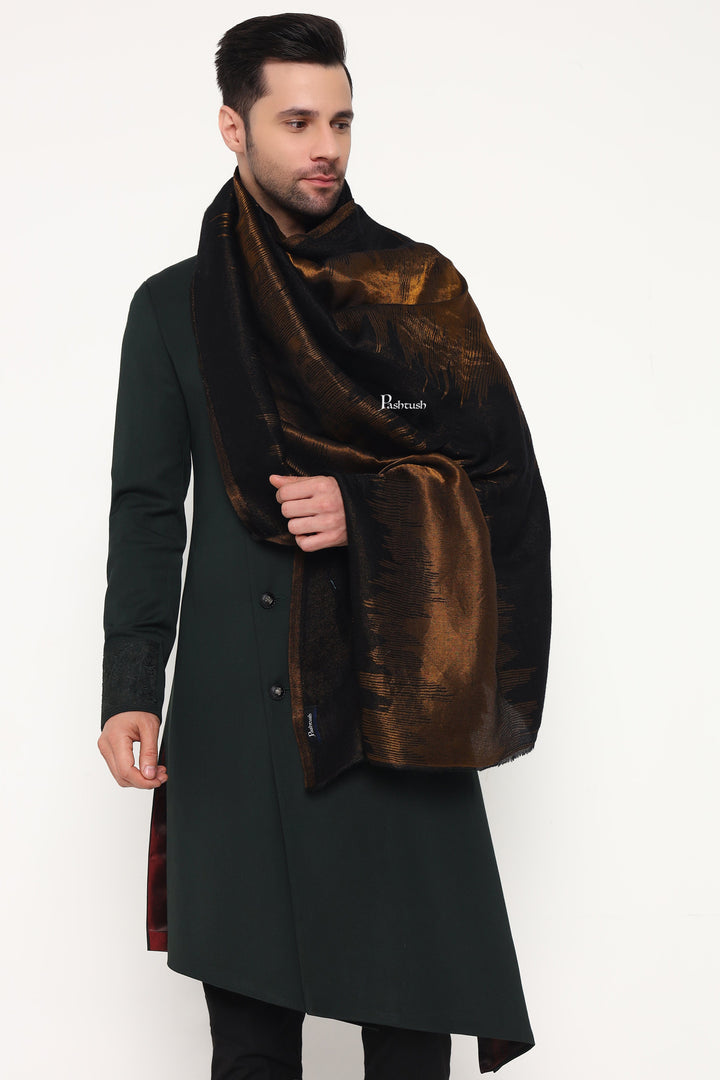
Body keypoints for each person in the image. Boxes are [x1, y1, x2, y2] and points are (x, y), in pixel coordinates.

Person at [97, 13, 552, 1079]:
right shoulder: (173, 308)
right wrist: (130, 689)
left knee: (411, 1026)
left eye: (340, 121)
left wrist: (370, 508)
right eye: (296, 121)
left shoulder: (416, 292)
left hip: (392, 703)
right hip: (235, 717)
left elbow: (504, 486)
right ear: (233, 127)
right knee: (250, 1041)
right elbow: (147, 510)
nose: (326, 147)